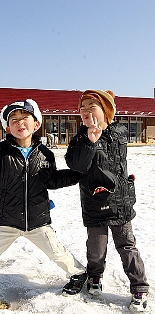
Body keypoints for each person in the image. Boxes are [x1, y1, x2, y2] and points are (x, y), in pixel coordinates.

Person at [0, 99, 86, 302]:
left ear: (36, 124)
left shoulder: (45, 154)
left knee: (57, 252)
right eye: (14, 120)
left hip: (38, 219)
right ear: (7, 127)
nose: (20, 123)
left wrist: (78, 174)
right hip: (6, 220)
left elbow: (52, 179)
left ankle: (78, 274)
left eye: (25, 119)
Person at [64, 90, 149, 311]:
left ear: (106, 111)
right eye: (82, 108)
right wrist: (90, 141)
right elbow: (77, 166)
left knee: (127, 247)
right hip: (95, 202)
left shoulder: (119, 133)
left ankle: (139, 287)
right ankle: (94, 277)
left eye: (92, 106)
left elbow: (118, 164)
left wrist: (127, 181)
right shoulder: (80, 139)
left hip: (120, 202)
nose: (85, 111)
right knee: (96, 248)